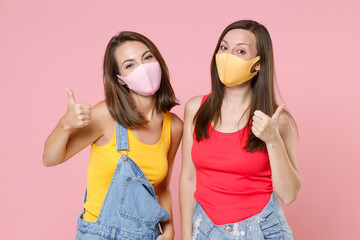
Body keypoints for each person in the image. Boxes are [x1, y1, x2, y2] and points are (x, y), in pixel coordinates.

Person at [43, 31, 183, 240]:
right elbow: (50, 159)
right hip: (98, 233)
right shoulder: (106, 115)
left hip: (146, 234)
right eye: (130, 65)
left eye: (147, 57)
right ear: (121, 80)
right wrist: (65, 124)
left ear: (158, 61)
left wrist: (169, 228)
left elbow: (161, 188)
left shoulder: (173, 126)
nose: (142, 68)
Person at [180, 20, 300, 240]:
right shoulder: (196, 109)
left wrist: (273, 140)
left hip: (261, 230)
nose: (227, 56)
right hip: (206, 230)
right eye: (224, 48)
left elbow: (289, 194)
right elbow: (188, 179)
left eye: (240, 51)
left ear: (258, 64)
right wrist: (187, 236)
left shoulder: (276, 120)